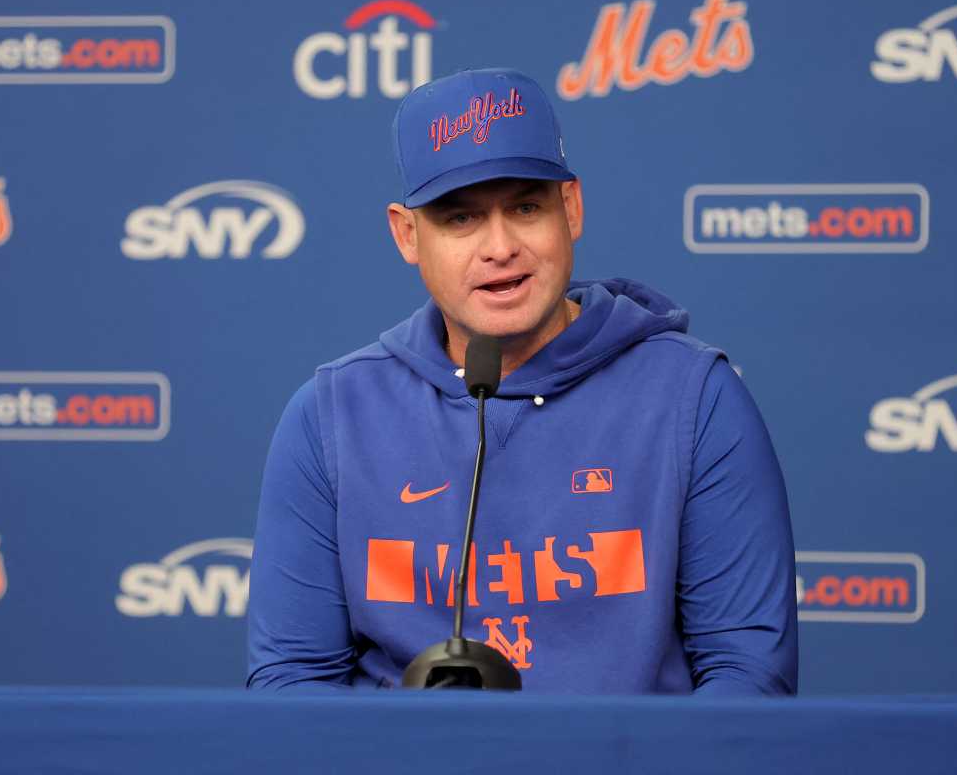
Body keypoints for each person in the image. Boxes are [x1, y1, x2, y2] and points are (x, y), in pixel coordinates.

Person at [247, 68, 797, 695]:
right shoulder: (330, 414)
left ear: (572, 208)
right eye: (460, 219)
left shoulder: (695, 396)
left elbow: (748, 675)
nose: (500, 247)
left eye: (526, 207)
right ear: (407, 234)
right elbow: (292, 682)